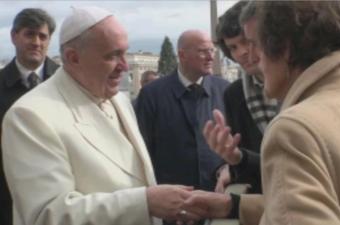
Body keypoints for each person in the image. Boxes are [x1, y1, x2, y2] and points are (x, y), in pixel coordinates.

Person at [185, 1, 340, 225]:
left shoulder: (294, 130)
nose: (253, 56)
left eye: (255, 43)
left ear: (284, 46)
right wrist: (234, 206)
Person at [1, 6, 202, 225]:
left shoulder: (119, 100)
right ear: (73, 57)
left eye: (125, 53)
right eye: (113, 56)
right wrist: (144, 203)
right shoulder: (29, 115)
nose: (124, 67)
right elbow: (47, 215)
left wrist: (163, 211)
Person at [134, 30, 229, 192]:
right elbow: (142, 152)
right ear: (182, 55)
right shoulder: (152, 95)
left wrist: (228, 169)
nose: (210, 57)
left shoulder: (225, 90)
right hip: (172, 204)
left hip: (219, 197)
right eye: (202, 51)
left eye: (212, 50)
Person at [212, 0, 279, 194]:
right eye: (232, 47)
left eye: (246, 42)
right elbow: (242, 161)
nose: (241, 52)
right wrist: (230, 165)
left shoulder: (297, 81)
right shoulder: (234, 94)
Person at [0, 8, 58, 225]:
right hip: (8, 199)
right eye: (29, 34)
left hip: (58, 196)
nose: (36, 42)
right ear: (14, 36)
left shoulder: (68, 84)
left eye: (43, 36)